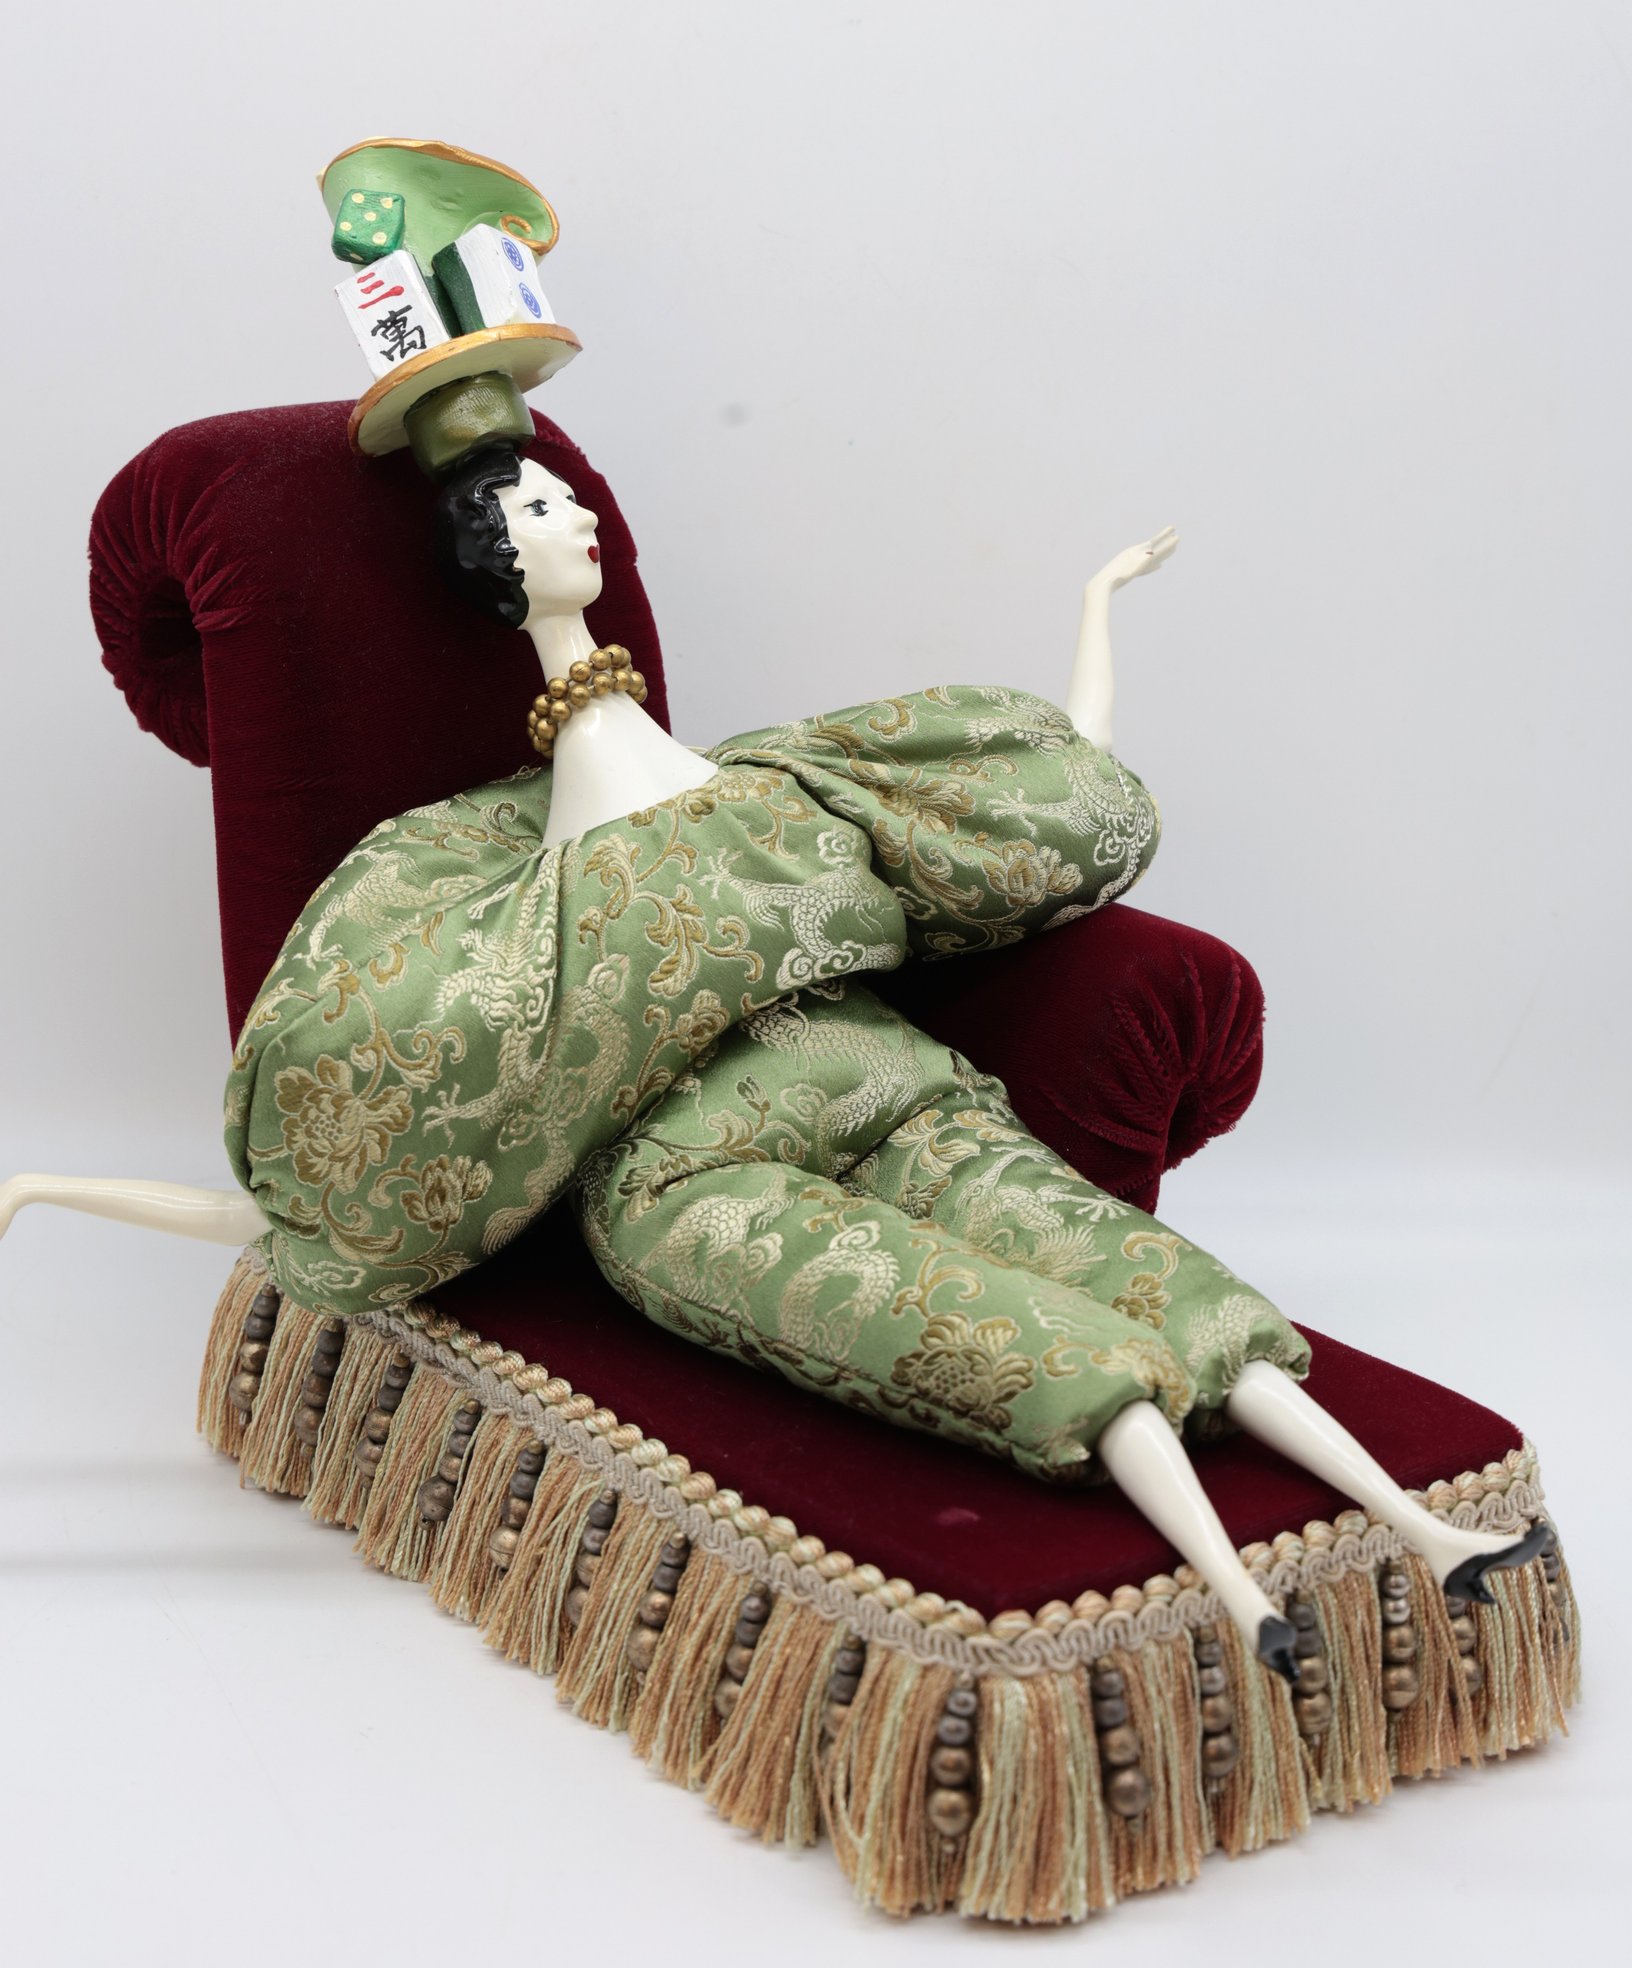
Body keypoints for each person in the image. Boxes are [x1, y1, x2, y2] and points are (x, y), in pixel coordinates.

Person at [0, 449, 1550, 1677]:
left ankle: (1425, 1534)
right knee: (1021, 1343)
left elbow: (1045, 787)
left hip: (880, 1078)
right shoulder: (496, 910)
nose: (573, 516)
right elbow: (359, 1178)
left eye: (565, 496)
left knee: (1158, 1284)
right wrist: (53, 1190)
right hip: (698, 1175)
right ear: (496, 570)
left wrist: (1096, 604)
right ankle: (1243, 1605)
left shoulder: (783, 783)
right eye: (534, 510)